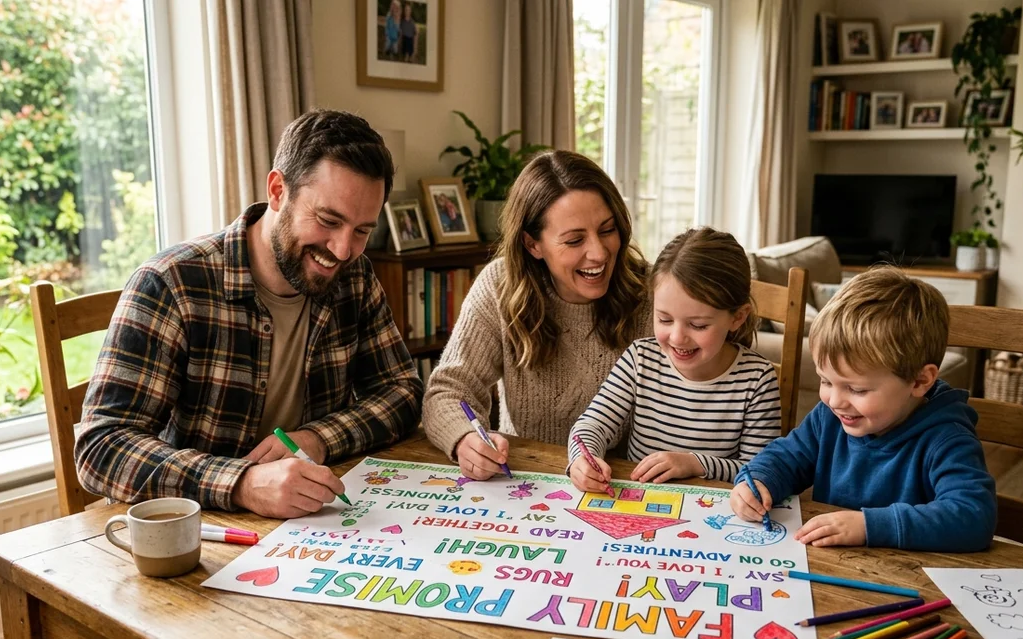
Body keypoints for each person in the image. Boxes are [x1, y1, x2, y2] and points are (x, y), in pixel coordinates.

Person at [76, 109, 423, 519]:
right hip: (202, 530)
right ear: (278, 191)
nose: (343, 250)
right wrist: (241, 483)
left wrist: (318, 438)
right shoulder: (171, 282)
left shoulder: (355, 277)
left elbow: (402, 392)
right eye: (328, 220)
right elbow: (102, 447)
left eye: (362, 230)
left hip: (313, 526)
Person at [730, 268, 997, 552]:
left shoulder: (946, 438)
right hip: (831, 568)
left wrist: (868, 526)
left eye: (856, 390)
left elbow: (973, 517)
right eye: (825, 381)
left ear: (919, 381)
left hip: (908, 578)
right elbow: (785, 457)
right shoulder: (829, 417)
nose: (835, 401)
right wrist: (758, 480)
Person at [423, 150, 652, 480]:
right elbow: (447, 392)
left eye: (607, 230)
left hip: (623, 483)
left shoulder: (651, 294)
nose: (599, 252)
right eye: (574, 240)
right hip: (526, 480)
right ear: (533, 244)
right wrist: (465, 440)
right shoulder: (499, 286)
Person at [567, 228, 781, 490]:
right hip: (640, 504)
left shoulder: (757, 379)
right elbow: (592, 424)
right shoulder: (640, 359)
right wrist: (583, 459)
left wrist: (695, 463)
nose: (678, 338)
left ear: (737, 317)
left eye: (698, 325)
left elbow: (759, 470)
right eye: (664, 319)